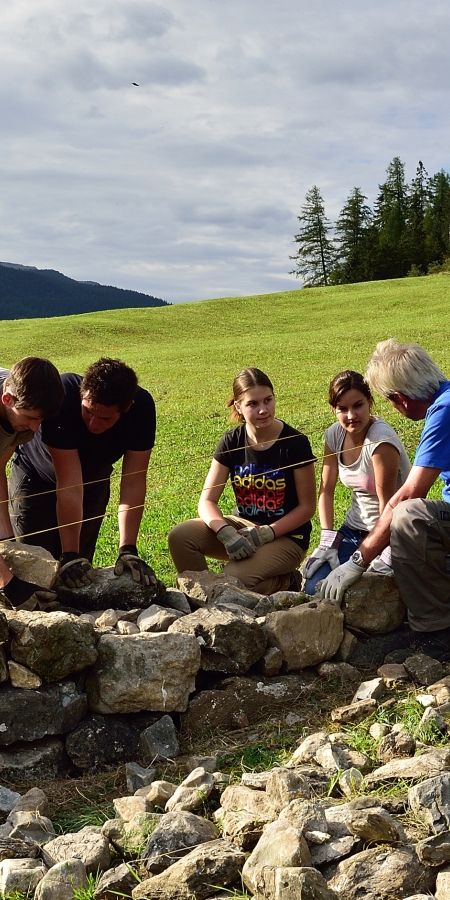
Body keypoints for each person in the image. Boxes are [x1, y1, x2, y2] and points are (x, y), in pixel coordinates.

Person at [319, 339, 450, 660]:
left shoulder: (444, 410)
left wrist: (358, 560)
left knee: (409, 517)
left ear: (400, 399)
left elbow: (408, 494)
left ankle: (436, 632)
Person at [9, 357, 156, 590]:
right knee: (35, 566)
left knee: (80, 572)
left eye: (106, 418)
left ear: (126, 408)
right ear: (82, 394)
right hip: (36, 478)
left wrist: (128, 549)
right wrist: (69, 554)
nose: (94, 424)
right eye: (88, 412)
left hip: (93, 480)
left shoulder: (142, 409)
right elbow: (69, 484)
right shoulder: (64, 396)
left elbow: (133, 482)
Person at [168, 367, 316, 594]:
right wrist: (224, 531)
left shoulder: (295, 443)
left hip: (286, 536)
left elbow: (307, 508)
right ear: (238, 406)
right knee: (180, 537)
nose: (263, 410)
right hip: (243, 529)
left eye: (268, 400)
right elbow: (207, 501)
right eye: (253, 404)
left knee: (233, 579)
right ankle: (201, 601)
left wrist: (268, 532)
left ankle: (287, 582)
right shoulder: (232, 441)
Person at [303, 370, 410, 594]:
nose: (351, 415)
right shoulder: (334, 435)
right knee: (316, 588)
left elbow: (387, 503)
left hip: (389, 531)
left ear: (370, 402)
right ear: (334, 410)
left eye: (358, 405)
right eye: (342, 408)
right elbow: (326, 490)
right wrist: (327, 539)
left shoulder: (380, 441)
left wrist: (379, 552)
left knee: (363, 592)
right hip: (353, 529)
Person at [0, 357, 64, 609]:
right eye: (30, 418)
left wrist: (7, 543)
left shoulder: (19, 405)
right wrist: (7, 581)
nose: (36, 430)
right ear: (8, 399)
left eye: (41, 420)